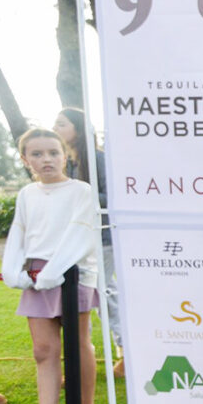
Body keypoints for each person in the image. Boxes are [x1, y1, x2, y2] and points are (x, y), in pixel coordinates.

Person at [2, 128, 101, 404]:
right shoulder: (28, 194)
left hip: (72, 274)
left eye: (53, 152)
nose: (47, 159)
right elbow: (20, 230)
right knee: (43, 350)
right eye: (38, 154)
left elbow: (82, 233)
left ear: (65, 154)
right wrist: (15, 269)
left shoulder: (81, 191)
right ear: (26, 159)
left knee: (78, 341)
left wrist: (55, 269)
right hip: (37, 278)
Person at [53, 107, 123, 377]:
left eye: (61, 124)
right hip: (75, 240)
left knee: (104, 294)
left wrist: (81, 195)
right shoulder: (66, 161)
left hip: (101, 237)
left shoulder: (97, 159)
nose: (56, 128)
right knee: (89, 297)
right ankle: (85, 361)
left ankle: (126, 353)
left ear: (78, 128)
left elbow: (113, 197)